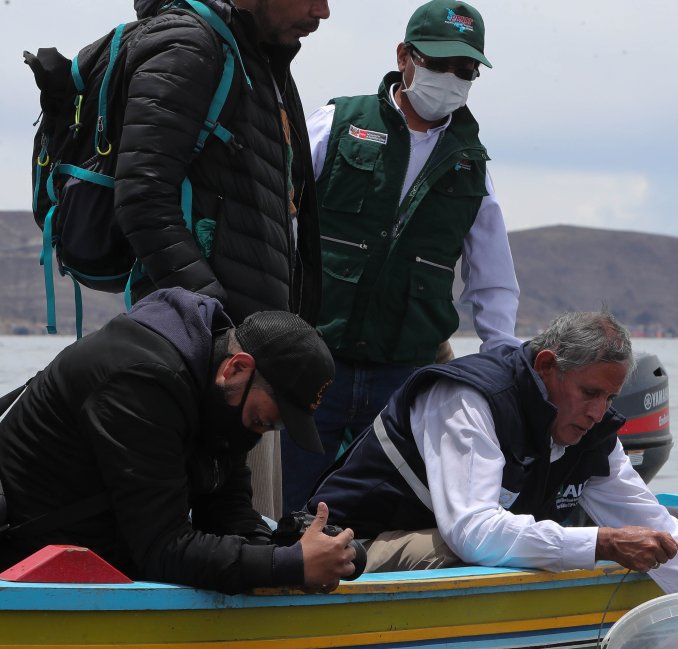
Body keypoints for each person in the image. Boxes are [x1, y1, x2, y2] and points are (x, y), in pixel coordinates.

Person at [281, 0, 520, 512]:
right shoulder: (340, 122)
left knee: (382, 509)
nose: (450, 78)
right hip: (313, 356)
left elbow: (493, 275)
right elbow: (279, 214)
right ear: (405, 57)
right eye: (437, 62)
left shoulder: (471, 165)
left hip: (405, 371)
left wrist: (501, 358)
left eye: (465, 70)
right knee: (287, 498)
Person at [308, 312, 678, 594]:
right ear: (545, 365)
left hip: (439, 536)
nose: (597, 412)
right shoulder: (470, 398)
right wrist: (601, 544)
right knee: (490, 552)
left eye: (609, 398)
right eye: (589, 393)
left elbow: (654, 525)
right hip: (350, 546)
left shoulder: (593, 427)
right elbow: (474, 534)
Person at [0, 288, 356, 595]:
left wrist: (294, 551)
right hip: (23, 560)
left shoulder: (218, 391)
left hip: (92, 554)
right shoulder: (141, 384)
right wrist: (285, 567)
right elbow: (161, 548)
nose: (263, 430)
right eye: (266, 419)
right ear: (237, 368)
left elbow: (227, 512)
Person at [118, 0, 330, 324]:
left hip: (243, 344)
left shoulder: (259, 59)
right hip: (202, 344)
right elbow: (142, 195)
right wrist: (214, 320)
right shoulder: (190, 43)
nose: (322, 12)